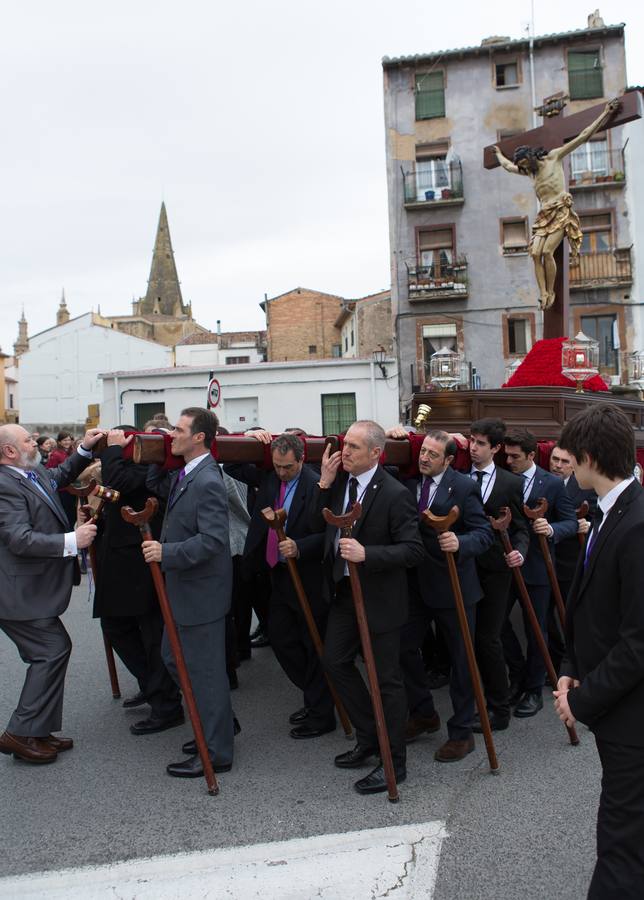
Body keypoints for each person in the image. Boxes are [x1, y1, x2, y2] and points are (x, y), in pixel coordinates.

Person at [554, 403, 644, 899]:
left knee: (622, 843)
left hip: (633, 717)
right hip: (616, 707)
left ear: (589, 458)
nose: (565, 465)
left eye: (570, 456)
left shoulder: (636, 523)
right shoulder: (613, 512)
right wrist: (571, 669)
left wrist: (581, 702)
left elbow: (639, 641)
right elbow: (592, 607)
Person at [310, 420, 425, 795]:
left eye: (355, 447)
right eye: (345, 444)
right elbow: (316, 522)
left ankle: (394, 761)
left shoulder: (394, 493)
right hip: (344, 592)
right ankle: (369, 737)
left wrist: (367, 554)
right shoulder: (340, 482)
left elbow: (413, 549)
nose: (346, 451)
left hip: (379, 599)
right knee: (335, 661)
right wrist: (324, 484)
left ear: (376, 453)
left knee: (386, 680)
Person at [0, 424, 103, 764]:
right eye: (28, 440)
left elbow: (58, 475)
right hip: (17, 593)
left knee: (52, 650)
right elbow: (19, 538)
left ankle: (36, 730)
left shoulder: (30, 473)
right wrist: (72, 541)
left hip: (29, 591)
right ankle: (18, 733)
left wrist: (85, 450)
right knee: (51, 650)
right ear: (10, 451)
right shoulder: (4, 485)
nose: (36, 443)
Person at [144, 407, 235, 778]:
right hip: (184, 592)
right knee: (173, 659)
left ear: (199, 437)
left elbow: (213, 541)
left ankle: (216, 753)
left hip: (201, 596)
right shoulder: (187, 473)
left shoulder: (208, 480)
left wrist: (167, 553)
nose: (172, 435)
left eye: (179, 430)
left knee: (204, 674)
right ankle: (219, 722)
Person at [226, 431, 332, 738]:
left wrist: (300, 547)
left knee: (313, 644)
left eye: (287, 467)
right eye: (277, 466)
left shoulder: (317, 486)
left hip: (308, 576)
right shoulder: (269, 476)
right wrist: (249, 438)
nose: (282, 472)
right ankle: (313, 694)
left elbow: (327, 534)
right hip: (277, 573)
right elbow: (231, 466)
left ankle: (321, 713)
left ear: (301, 459)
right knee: (282, 639)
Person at [401, 430, 494, 762]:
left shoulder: (464, 487)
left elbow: (483, 534)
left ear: (450, 460)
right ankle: (424, 712)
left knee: (461, 660)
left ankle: (462, 733)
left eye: (432, 454)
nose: (424, 457)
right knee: (403, 647)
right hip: (417, 585)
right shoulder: (410, 482)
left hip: (454, 585)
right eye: (422, 451)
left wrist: (461, 543)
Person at [92, 428, 183, 732]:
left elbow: (122, 481)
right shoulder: (121, 462)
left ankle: (166, 703)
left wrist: (115, 451)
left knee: (152, 633)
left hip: (142, 558)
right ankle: (153, 685)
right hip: (120, 556)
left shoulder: (151, 463)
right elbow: (113, 489)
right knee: (116, 626)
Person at [493, 99, 619, 309]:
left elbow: (583, 136)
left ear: (532, 157)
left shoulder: (553, 157)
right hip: (544, 215)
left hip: (560, 210)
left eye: (525, 163)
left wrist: (605, 113)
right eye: (522, 166)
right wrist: (497, 154)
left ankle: (550, 292)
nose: (525, 169)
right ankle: (543, 293)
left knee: (546, 252)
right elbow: (507, 166)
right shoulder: (529, 171)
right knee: (534, 253)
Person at [503, 429, 577, 717]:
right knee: (495, 625)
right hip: (506, 566)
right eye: (506, 455)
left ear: (531, 456)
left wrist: (552, 529)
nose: (509, 461)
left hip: (538, 567)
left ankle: (533, 689)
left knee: (537, 630)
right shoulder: (504, 478)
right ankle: (517, 675)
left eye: (515, 457)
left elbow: (570, 522)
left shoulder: (553, 485)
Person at [469, 418, 529, 732]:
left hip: (495, 572)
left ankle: (499, 709)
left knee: (488, 638)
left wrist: (519, 550)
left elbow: (521, 529)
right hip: (465, 568)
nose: (473, 448)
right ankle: (471, 702)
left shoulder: (511, 484)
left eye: (481, 443)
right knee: (466, 637)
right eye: (471, 441)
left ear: (495, 448)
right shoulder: (458, 479)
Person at [548, 443, 596, 672]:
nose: (557, 465)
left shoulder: (587, 487)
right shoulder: (545, 482)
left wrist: (590, 525)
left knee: (571, 618)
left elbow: (600, 517)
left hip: (571, 564)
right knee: (542, 618)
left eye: (564, 462)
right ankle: (556, 660)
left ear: (575, 463)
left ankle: (573, 665)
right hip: (546, 561)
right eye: (554, 459)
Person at [46, 431, 77, 529]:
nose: (67, 442)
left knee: (73, 513)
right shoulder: (56, 454)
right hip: (63, 490)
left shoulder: (71, 452)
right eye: (64, 440)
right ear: (59, 442)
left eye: (69, 440)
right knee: (68, 513)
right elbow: (50, 470)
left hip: (72, 488)